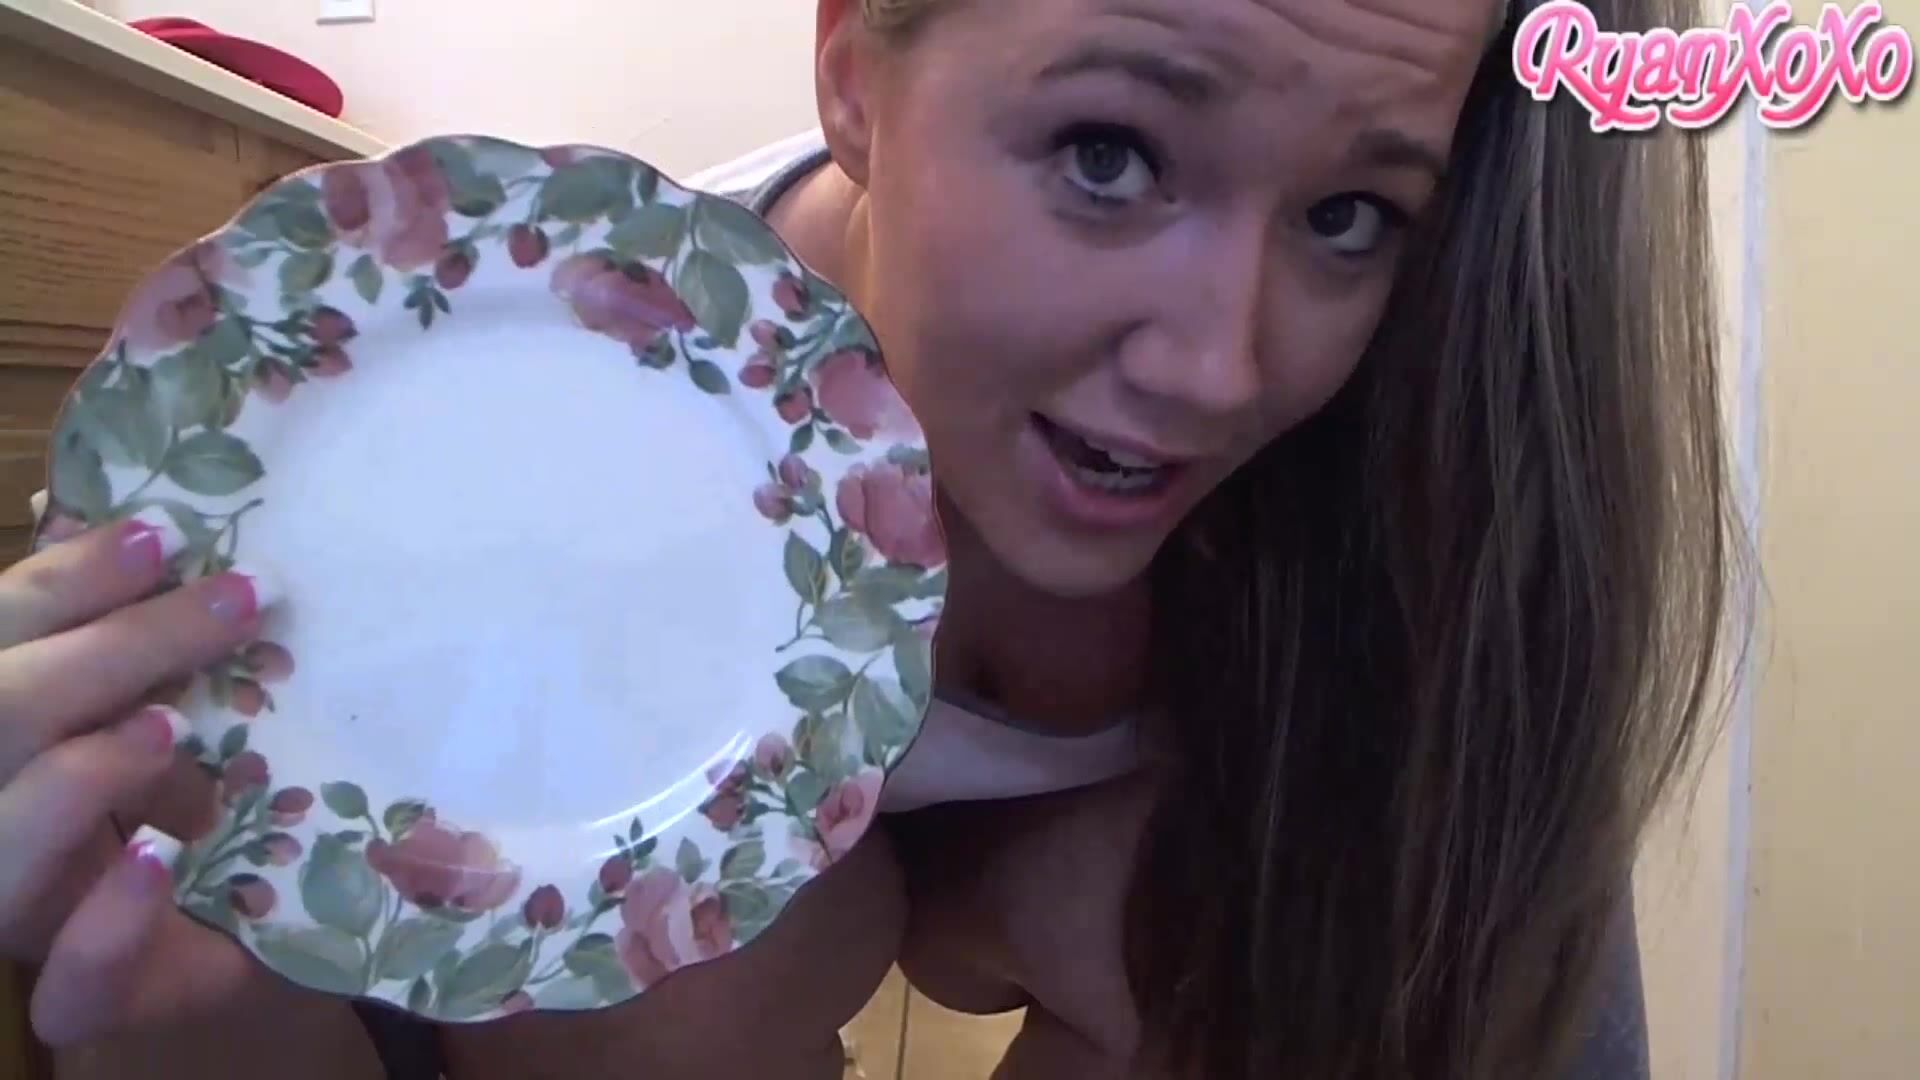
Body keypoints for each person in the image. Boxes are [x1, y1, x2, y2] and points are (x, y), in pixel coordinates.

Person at [0, 0, 1736, 1076]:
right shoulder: (535, 404)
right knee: (694, 998)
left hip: (1097, 888)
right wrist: (201, 1011)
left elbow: (1526, 1012)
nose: (1219, 369)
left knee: (1235, 940)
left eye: (1351, 213)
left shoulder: (1414, 474)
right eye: (1110, 155)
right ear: (852, 72)